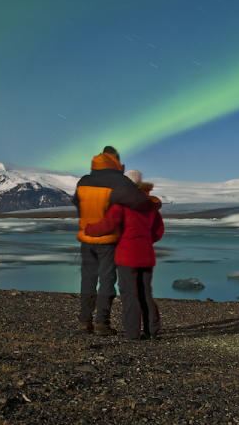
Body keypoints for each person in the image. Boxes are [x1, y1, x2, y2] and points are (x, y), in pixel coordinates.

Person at [73, 146, 152, 336]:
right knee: (107, 280)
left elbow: (77, 201)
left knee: (88, 279)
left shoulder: (84, 180)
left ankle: (84, 321)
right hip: (108, 239)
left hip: (86, 237)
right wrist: (154, 202)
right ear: (116, 161)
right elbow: (139, 202)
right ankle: (102, 323)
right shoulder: (119, 181)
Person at [84, 169, 164, 340]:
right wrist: (145, 241)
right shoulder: (151, 205)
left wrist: (89, 229)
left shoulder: (121, 203)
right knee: (145, 293)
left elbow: (107, 225)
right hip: (146, 255)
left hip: (127, 255)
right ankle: (151, 330)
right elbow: (158, 232)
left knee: (129, 294)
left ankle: (132, 333)